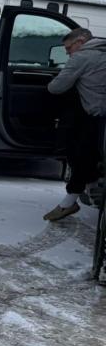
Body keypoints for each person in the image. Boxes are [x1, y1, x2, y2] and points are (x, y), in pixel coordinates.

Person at [45, 27, 106, 221]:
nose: (67, 52)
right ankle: (90, 189)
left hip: (96, 116)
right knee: (89, 156)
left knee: (80, 155)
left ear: (80, 42)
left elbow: (55, 87)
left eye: (68, 48)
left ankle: (69, 202)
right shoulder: (102, 52)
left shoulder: (82, 57)